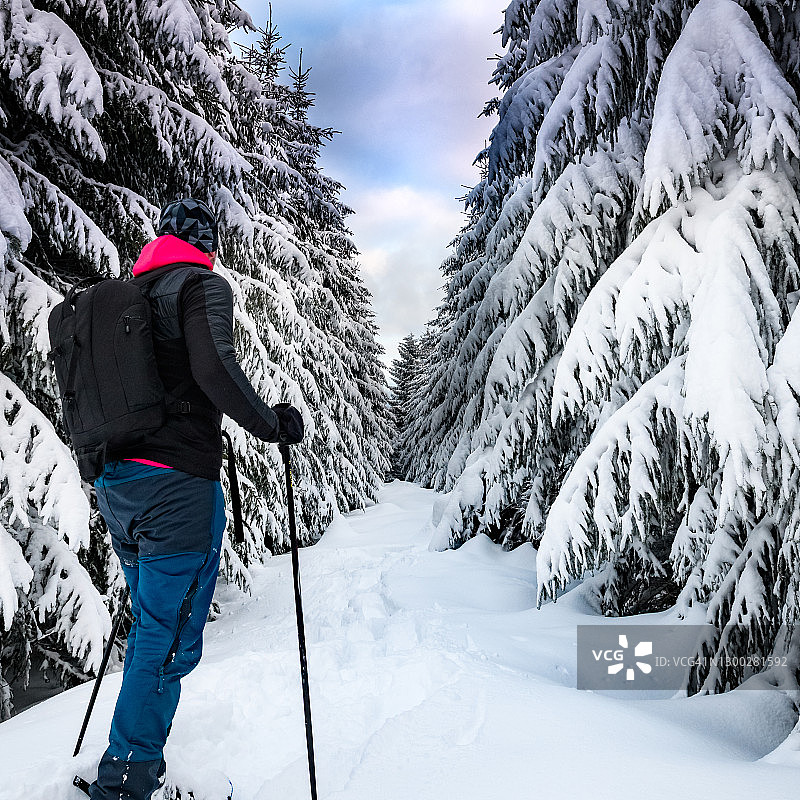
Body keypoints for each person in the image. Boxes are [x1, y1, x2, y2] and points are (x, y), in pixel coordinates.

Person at [89, 198, 303, 800]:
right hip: (177, 487)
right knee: (168, 639)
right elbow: (215, 370)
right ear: (205, 245)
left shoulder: (128, 299)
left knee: (151, 627)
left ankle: (129, 761)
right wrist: (272, 423)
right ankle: (127, 776)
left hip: (118, 486)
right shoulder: (200, 285)